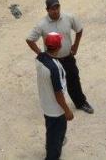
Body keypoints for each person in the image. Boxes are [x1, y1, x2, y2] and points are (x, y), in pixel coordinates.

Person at [26, 0, 94, 114]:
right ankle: (57, 107)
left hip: (67, 57)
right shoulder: (42, 25)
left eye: (57, 7)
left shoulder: (69, 18)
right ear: (47, 10)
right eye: (53, 9)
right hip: (52, 61)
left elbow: (79, 29)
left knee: (74, 80)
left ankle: (81, 102)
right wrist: (40, 54)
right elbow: (30, 39)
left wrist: (76, 45)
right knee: (54, 85)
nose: (56, 11)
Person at [35, 32, 73, 160]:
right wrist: (67, 110)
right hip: (56, 109)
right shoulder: (54, 68)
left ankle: (52, 145)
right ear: (59, 46)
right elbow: (58, 94)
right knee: (56, 134)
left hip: (46, 104)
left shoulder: (40, 58)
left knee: (52, 130)